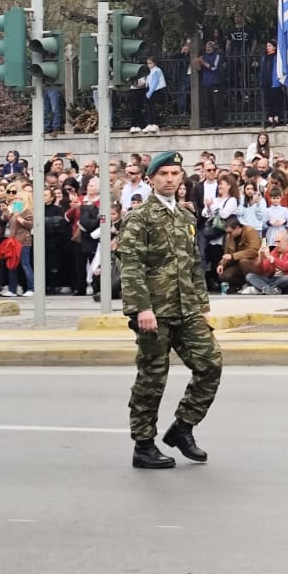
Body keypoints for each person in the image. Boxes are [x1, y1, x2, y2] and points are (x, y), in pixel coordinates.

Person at [118, 151, 222, 470]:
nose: (169, 179)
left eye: (175, 173)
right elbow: (131, 266)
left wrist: (203, 307)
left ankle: (182, 427)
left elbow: (193, 266)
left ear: (181, 179)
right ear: (151, 179)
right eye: (163, 173)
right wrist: (141, 308)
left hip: (186, 308)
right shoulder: (139, 217)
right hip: (154, 311)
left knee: (211, 364)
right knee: (153, 377)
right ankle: (143, 444)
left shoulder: (186, 217)